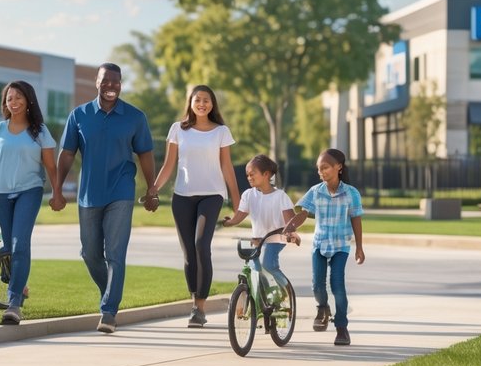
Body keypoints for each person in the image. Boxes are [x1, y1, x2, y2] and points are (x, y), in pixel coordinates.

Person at [55, 62, 158, 334]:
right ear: (97, 82)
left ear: (121, 84)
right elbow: (66, 154)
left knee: (115, 253)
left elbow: (145, 154)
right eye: (106, 81)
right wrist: (57, 189)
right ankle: (109, 291)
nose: (111, 86)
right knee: (90, 254)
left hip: (121, 191)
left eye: (116, 81)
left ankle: (109, 311)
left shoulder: (135, 117)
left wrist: (151, 189)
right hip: (89, 194)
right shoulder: (79, 115)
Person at [0, 80, 64, 325]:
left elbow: (50, 166)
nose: (14, 102)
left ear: (29, 100)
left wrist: (57, 193)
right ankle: (16, 281)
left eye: (18, 97)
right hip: (0, 193)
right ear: (5, 103)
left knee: (20, 243)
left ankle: (14, 304)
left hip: (29, 190)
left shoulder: (40, 131)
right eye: (9, 98)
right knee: (8, 248)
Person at [147, 85, 241, 328]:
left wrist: (238, 202)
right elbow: (169, 165)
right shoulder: (178, 129)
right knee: (189, 253)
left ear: (212, 104)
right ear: (190, 102)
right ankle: (193, 304)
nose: (202, 104)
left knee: (201, 244)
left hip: (212, 195)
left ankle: (200, 307)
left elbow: (227, 167)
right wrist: (154, 189)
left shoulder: (221, 131)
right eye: (197, 99)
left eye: (206, 100)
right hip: (183, 195)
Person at [284, 148, 365, 347]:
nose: (321, 172)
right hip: (319, 244)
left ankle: (341, 328)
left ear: (339, 167)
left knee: (337, 284)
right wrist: (291, 227)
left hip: (340, 246)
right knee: (317, 284)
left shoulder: (351, 193)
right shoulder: (316, 191)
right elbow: (303, 213)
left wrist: (359, 248)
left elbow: (356, 220)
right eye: (319, 168)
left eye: (325, 167)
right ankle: (322, 308)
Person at [222, 153, 299, 279]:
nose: (249, 177)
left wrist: (290, 233)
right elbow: (239, 216)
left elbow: (290, 221)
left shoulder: (280, 196)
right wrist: (229, 222)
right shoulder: (248, 195)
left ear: (266, 174)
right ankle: (264, 293)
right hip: (258, 239)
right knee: (255, 267)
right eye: (247, 175)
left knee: (268, 264)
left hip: (276, 238)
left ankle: (285, 290)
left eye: (252, 174)